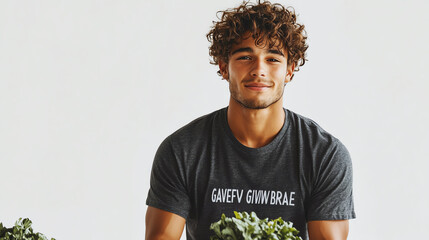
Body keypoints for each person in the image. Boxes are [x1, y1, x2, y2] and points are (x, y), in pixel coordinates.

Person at [145, 1, 356, 239]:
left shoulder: (324, 155)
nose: (259, 70)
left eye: (273, 59)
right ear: (224, 67)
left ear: (289, 70)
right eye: (245, 57)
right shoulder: (182, 150)